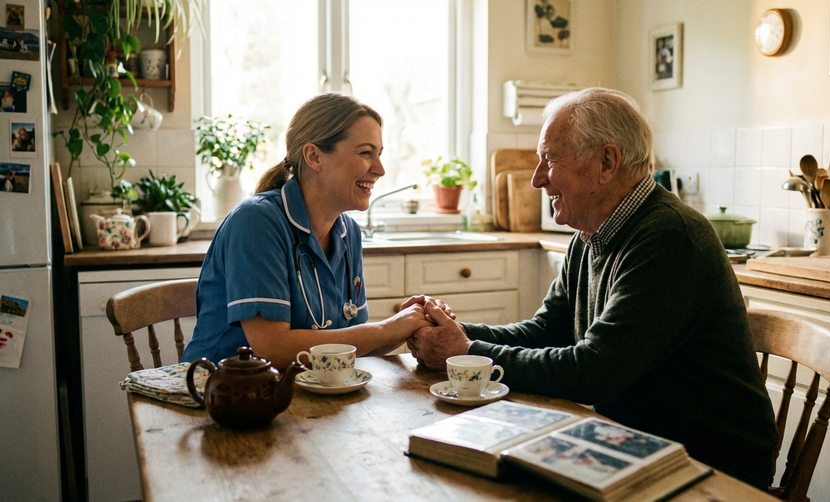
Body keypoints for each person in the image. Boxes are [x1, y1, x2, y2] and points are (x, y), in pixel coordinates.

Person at [407, 87, 779, 490]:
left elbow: (593, 371)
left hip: (710, 464)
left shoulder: (670, 237)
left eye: (549, 159)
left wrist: (467, 353)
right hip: (634, 442)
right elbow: (545, 331)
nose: (536, 180)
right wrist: (457, 335)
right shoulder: (589, 236)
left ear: (607, 162)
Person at [181, 93, 449, 370]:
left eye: (379, 154)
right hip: (216, 393)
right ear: (314, 156)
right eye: (366, 153)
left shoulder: (349, 232)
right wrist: (387, 329)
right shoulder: (256, 221)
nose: (380, 169)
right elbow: (271, 349)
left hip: (301, 393)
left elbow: (350, 344)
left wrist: (413, 324)